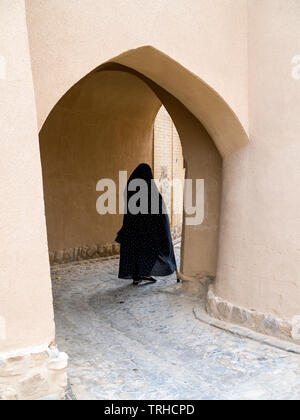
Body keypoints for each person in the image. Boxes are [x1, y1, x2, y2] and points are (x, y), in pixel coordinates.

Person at [116, 163, 177, 285]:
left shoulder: (130, 188)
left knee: (135, 252)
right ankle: (145, 273)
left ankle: (137, 276)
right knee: (147, 252)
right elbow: (159, 210)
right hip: (147, 230)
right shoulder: (149, 189)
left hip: (132, 228)